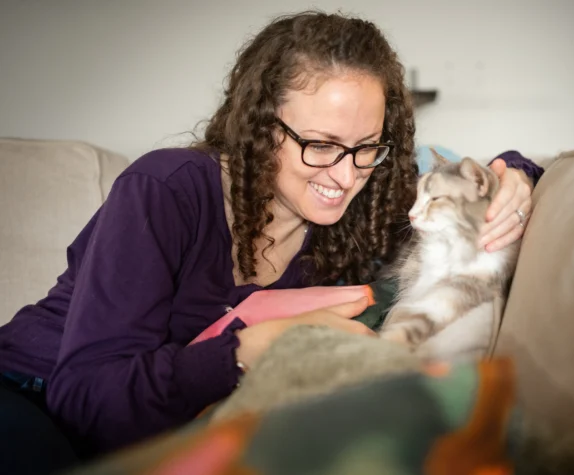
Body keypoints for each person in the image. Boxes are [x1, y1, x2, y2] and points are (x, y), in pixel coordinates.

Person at [0, 10, 543, 473]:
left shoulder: (368, 200)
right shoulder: (166, 189)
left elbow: (469, 182)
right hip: (30, 394)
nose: (345, 174)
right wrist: (241, 354)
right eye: (321, 144)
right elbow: (87, 400)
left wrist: (515, 174)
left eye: (367, 147)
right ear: (262, 127)